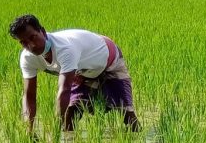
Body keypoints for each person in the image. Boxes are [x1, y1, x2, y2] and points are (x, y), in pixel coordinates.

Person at [10, 14, 140, 132]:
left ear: (42, 31)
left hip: (108, 61)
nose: (31, 45)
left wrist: (55, 131)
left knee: (124, 110)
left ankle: (138, 136)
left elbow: (64, 90)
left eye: (33, 37)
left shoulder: (65, 49)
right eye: (24, 42)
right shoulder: (27, 58)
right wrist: (29, 129)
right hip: (82, 69)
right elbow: (29, 96)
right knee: (71, 111)